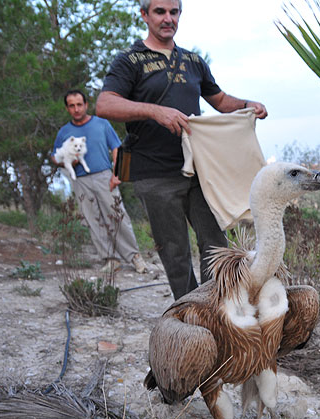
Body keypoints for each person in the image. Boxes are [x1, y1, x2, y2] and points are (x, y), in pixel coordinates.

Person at [95, 0, 268, 300]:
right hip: (154, 173)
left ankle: (218, 307)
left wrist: (246, 105)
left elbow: (219, 100)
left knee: (216, 243)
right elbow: (105, 104)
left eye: (173, 12)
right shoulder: (129, 60)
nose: (168, 19)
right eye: (159, 12)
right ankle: (189, 311)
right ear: (144, 15)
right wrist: (155, 111)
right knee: (174, 251)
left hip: (200, 169)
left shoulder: (193, 61)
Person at [52, 89, 149, 274]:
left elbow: (116, 148)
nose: (76, 109)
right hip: (80, 181)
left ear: (86, 105)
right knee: (92, 219)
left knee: (117, 215)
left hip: (104, 176)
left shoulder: (101, 124)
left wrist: (116, 175)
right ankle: (111, 259)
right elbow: (55, 156)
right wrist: (65, 161)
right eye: (71, 106)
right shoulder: (64, 132)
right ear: (67, 108)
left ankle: (135, 257)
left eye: (79, 104)